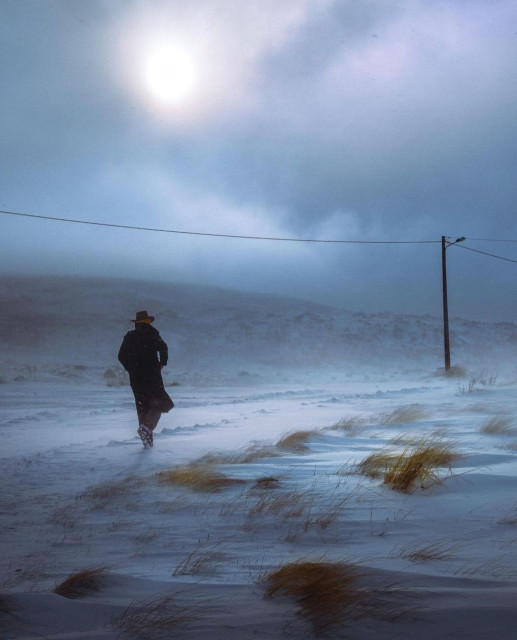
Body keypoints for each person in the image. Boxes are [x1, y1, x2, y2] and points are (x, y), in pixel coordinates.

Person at [118, 310, 174, 448]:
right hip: (152, 376)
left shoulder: (130, 336)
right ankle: (147, 428)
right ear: (147, 321)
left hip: (136, 379)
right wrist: (162, 363)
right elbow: (164, 348)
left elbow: (121, 356)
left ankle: (147, 441)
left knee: (142, 407)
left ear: (137, 323)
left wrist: (131, 368)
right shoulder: (152, 333)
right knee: (158, 404)